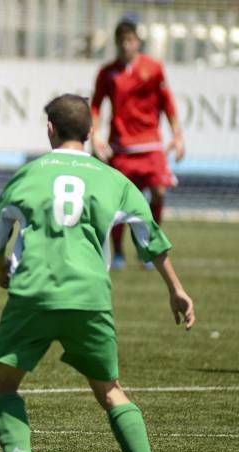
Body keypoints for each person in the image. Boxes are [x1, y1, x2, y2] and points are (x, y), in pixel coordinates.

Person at [0, 94, 195, 452]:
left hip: (34, 295)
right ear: (92, 132)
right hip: (90, 298)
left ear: (49, 129)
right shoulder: (113, 179)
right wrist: (176, 289)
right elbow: (149, 237)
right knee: (111, 391)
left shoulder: (27, 175)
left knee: (3, 386)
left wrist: (1, 268)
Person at [91, 18, 185, 270]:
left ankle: (147, 246)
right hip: (121, 146)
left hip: (150, 145)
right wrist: (96, 134)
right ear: (116, 43)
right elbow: (96, 106)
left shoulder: (153, 69)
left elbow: (168, 104)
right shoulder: (107, 72)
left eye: (130, 40)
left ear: (138, 41)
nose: (125, 45)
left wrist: (177, 135)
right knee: (119, 203)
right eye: (121, 40)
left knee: (159, 191)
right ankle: (119, 251)